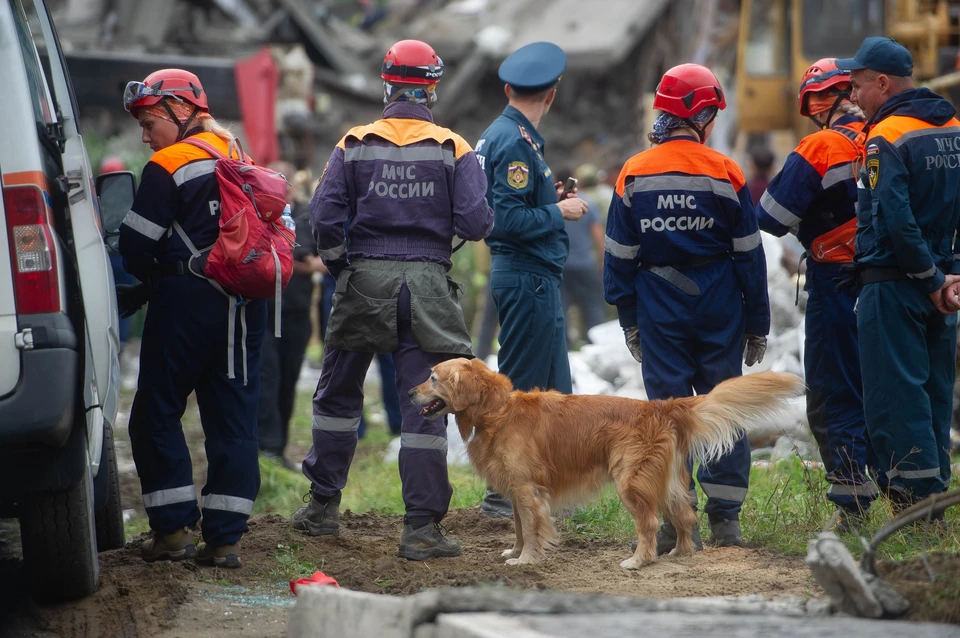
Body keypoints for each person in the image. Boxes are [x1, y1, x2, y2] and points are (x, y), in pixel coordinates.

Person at [291, 40, 493, 560]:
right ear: (432, 87)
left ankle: (321, 509)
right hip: (427, 286)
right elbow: (475, 222)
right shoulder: (455, 147)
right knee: (424, 405)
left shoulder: (354, 142)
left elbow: (323, 218)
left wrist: (343, 268)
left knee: (338, 396)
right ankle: (421, 529)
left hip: (364, 280)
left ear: (387, 84)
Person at [603, 64, 770, 552]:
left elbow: (619, 257)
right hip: (720, 306)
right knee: (723, 408)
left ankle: (681, 524)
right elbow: (748, 255)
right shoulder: (726, 171)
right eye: (713, 112)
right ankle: (727, 523)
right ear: (699, 114)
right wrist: (757, 322)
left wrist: (630, 321)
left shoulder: (633, 172)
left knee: (666, 419)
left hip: (659, 309)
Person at [119, 69, 265, 568]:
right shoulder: (238, 154)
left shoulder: (169, 162)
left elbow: (137, 246)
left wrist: (139, 280)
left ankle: (174, 531)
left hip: (185, 301)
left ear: (180, 113)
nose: (144, 136)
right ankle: (225, 541)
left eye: (148, 121)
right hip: (244, 304)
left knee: (155, 413)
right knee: (234, 419)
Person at [837, 37, 960, 519]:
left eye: (857, 85)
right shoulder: (953, 126)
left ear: (882, 83)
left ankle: (914, 511)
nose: (852, 96)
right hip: (943, 288)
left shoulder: (885, 136)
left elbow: (894, 217)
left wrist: (929, 278)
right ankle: (939, 500)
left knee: (896, 399)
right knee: (933, 393)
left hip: (895, 284)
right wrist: (949, 277)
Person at [757, 58, 877, 532]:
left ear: (814, 103)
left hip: (836, 283)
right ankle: (906, 494)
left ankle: (853, 505)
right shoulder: (888, 135)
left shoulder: (820, 145)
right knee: (885, 386)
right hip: (896, 279)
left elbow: (769, 216)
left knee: (832, 391)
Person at [474, 42, 588, 518]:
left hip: (532, 277)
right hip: (526, 277)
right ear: (552, 95)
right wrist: (559, 209)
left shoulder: (503, 136)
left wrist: (548, 198)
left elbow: (513, 207)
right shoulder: (516, 142)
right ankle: (503, 494)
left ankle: (553, 492)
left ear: (508, 89)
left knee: (555, 392)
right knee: (520, 391)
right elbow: (503, 221)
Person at [257, 161, 323, 471]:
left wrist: (290, 259)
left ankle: (277, 448)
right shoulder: (258, 212)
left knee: (288, 382)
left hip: (295, 312)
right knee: (267, 379)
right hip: (265, 309)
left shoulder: (305, 215)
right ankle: (266, 449)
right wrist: (298, 261)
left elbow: (307, 255)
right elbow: (298, 259)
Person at [317, 269, 403, 439]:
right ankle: (359, 426)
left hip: (348, 282)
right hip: (375, 280)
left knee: (350, 361)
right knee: (351, 361)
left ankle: (394, 423)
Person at [559, 163, 607, 346]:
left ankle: (565, 352)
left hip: (560, 265)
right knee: (593, 307)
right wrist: (604, 261)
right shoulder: (586, 203)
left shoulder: (555, 205)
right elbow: (597, 235)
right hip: (585, 265)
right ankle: (598, 348)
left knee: (561, 311)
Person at [99, 156, 138, 350]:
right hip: (123, 255)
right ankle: (120, 342)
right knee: (125, 300)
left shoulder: (99, 196)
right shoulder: (128, 195)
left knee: (111, 299)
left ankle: (114, 342)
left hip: (108, 254)